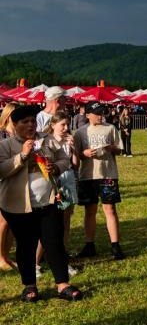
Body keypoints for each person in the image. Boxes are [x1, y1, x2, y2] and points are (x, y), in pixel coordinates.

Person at [0, 105, 83, 302]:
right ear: (14, 124)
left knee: (53, 242)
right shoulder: (6, 145)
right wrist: (21, 156)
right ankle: (29, 286)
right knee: (26, 245)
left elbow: (64, 160)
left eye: (32, 121)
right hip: (18, 206)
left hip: (48, 201)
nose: (30, 125)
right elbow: (2, 171)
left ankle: (62, 285)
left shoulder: (46, 141)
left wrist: (56, 167)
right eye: (25, 122)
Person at [73, 102, 125, 260]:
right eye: (97, 113)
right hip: (88, 175)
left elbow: (120, 149)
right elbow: (76, 155)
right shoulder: (80, 132)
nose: (101, 115)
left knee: (110, 210)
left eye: (103, 112)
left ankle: (115, 246)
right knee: (90, 211)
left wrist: (111, 149)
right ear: (87, 115)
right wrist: (85, 153)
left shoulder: (110, 128)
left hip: (108, 174)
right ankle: (89, 245)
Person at [43, 111, 79, 277]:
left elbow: (75, 164)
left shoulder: (69, 140)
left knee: (65, 221)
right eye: (62, 124)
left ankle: (63, 260)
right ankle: (38, 261)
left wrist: (74, 149)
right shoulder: (46, 141)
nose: (66, 128)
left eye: (67, 124)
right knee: (48, 222)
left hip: (67, 180)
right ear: (53, 125)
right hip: (51, 182)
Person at [0, 103, 18, 270]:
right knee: (3, 221)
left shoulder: (20, 136)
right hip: (2, 181)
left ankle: (6, 255)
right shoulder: (2, 135)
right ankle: (1, 257)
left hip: (15, 181)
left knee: (11, 221)